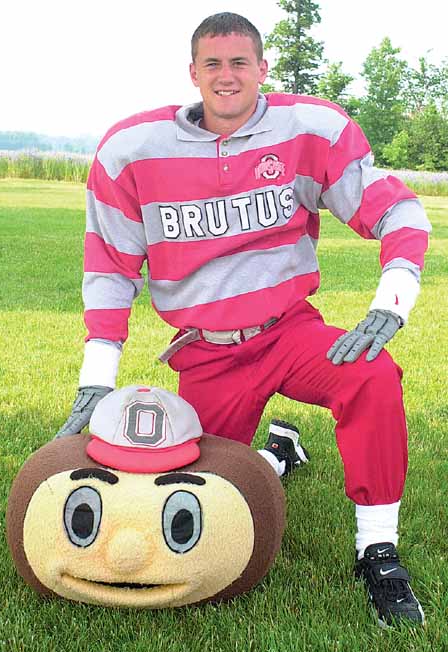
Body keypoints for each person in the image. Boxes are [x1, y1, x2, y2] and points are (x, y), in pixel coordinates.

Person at [56, 12, 431, 626]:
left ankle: (377, 549)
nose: (226, 76)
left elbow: (398, 211)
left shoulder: (308, 128)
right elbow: (110, 268)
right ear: (193, 72)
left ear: (262, 68)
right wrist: (97, 376)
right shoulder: (133, 150)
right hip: (208, 351)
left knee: (373, 375)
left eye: (239, 63)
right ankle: (280, 454)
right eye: (213, 63)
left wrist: (392, 301)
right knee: (206, 490)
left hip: (289, 330)